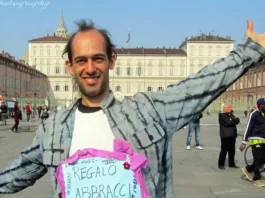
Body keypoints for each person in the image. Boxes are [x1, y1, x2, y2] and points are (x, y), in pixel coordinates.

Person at [0, 19, 264, 198]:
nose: (90, 68)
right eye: (81, 60)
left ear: (112, 61)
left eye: (98, 58)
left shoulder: (149, 111)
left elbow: (198, 86)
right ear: (70, 66)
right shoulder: (52, 128)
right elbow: (19, 172)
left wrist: (248, 51)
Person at [240, 98, 265, 187]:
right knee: (258, 159)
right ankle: (256, 179)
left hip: (263, 140)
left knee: (263, 159)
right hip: (255, 140)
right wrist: (244, 141)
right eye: (264, 106)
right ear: (260, 106)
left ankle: (249, 169)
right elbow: (248, 127)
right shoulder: (254, 114)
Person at [218, 104, 240, 169]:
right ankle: (221, 164)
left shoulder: (231, 114)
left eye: (230, 107)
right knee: (224, 150)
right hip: (225, 135)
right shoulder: (222, 115)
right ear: (225, 108)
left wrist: (233, 120)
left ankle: (231, 163)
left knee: (232, 150)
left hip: (232, 135)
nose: (230, 108)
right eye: (229, 107)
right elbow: (228, 123)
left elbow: (235, 120)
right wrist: (234, 120)